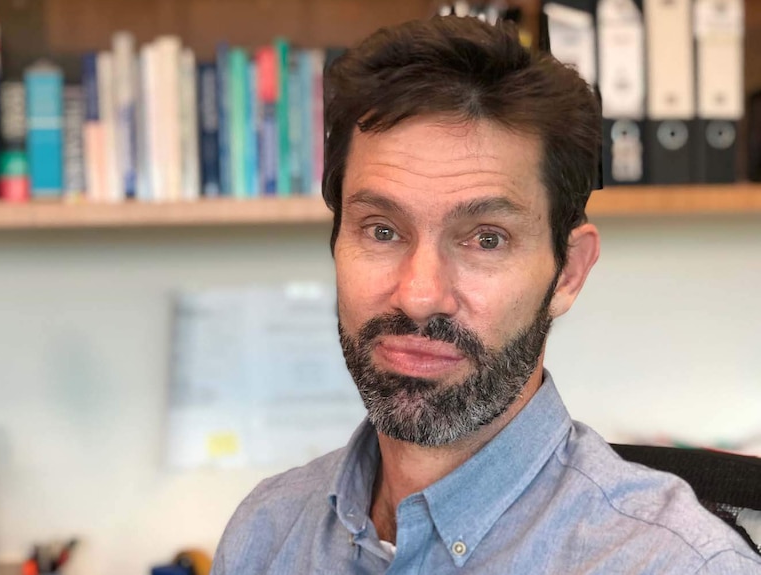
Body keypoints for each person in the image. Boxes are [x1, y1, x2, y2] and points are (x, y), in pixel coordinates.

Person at [209, 16, 761, 575]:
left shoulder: (675, 564)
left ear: (567, 273)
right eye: (382, 230)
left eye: (486, 240)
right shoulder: (266, 533)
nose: (420, 296)